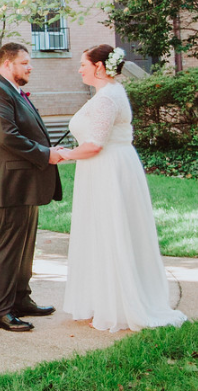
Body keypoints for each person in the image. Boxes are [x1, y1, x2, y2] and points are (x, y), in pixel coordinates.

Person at [58, 45, 187, 332]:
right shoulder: (111, 92)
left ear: (99, 67)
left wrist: (62, 155)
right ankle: (105, 301)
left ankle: (117, 306)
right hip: (107, 167)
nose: (79, 69)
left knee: (110, 231)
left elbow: (94, 145)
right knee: (104, 232)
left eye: (83, 63)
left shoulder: (107, 98)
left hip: (108, 170)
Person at [0, 42, 64, 332]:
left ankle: (21, 300)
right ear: (7, 62)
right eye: (25, 62)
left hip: (25, 184)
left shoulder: (11, 90)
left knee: (25, 247)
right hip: (8, 185)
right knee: (10, 248)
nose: (30, 66)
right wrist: (45, 154)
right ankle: (0, 312)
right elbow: (7, 137)